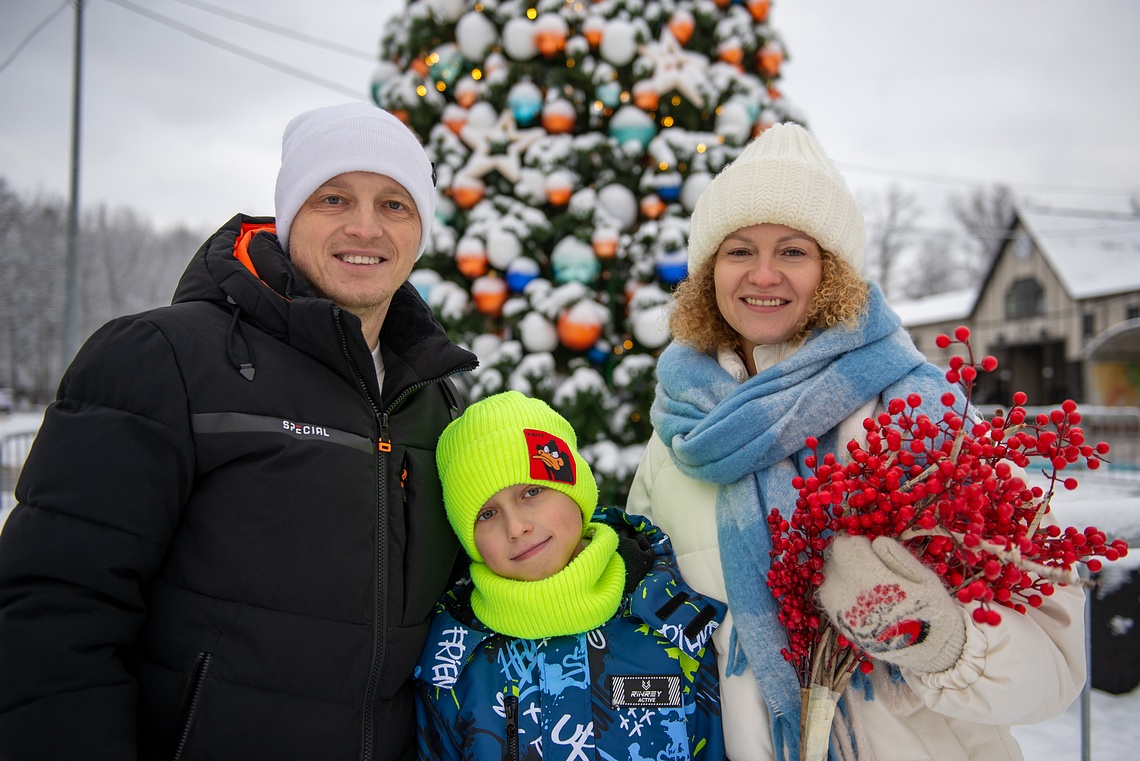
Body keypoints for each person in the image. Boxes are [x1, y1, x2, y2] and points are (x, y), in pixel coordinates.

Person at [0, 103, 477, 760]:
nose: (365, 226)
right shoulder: (163, 359)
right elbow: (50, 615)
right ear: (288, 216)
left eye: (395, 204)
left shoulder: (434, 399)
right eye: (334, 197)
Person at [626, 122, 1086, 761]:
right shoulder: (679, 431)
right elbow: (645, 620)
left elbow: (1056, 669)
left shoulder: (921, 418)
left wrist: (942, 638)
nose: (764, 274)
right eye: (737, 250)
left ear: (832, 270)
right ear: (708, 271)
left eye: (792, 251)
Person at [415, 391, 726, 761]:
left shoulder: (671, 617)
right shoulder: (451, 666)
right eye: (487, 515)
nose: (516, 527)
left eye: (532, 491)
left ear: (574, 488)